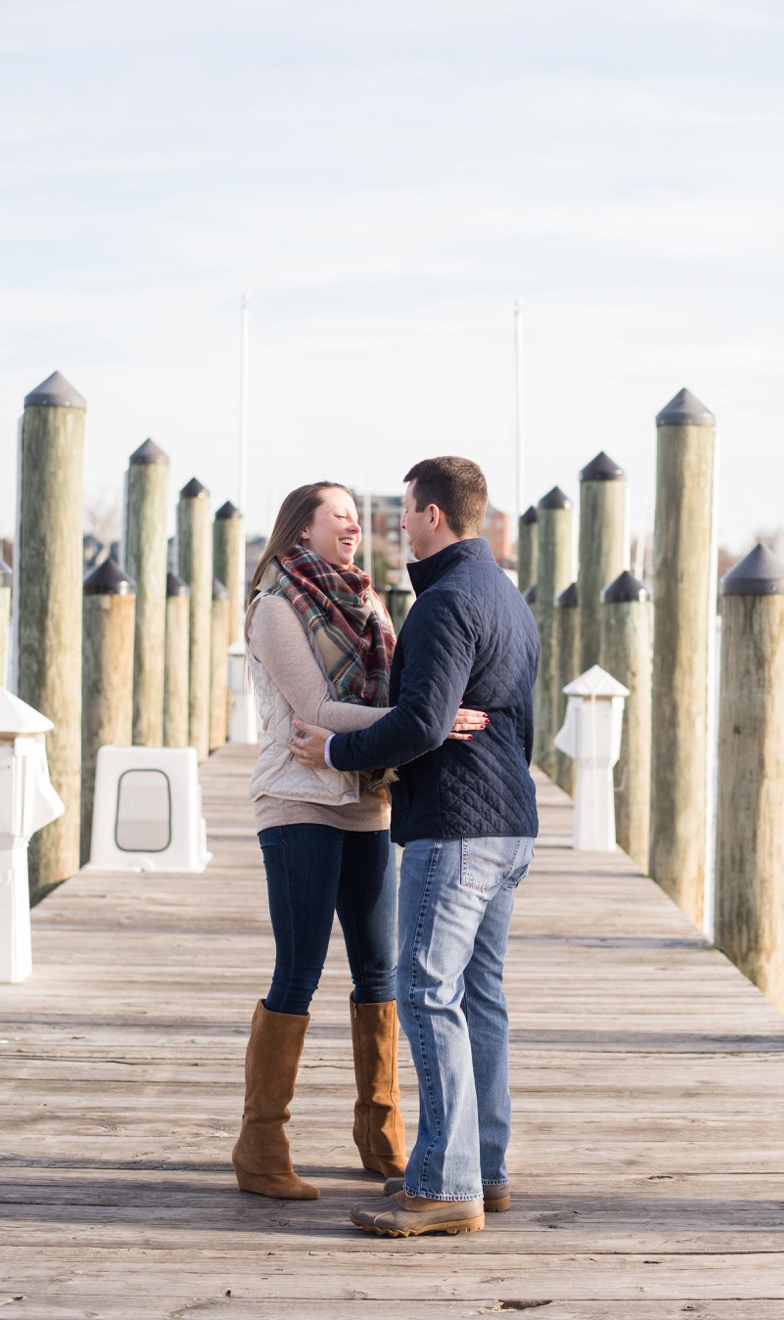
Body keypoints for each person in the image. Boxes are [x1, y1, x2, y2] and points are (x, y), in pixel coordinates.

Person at [289, 456, 540, 1237]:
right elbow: (498, 719)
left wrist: (330, 752)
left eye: (404, 511)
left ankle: (444, 1183)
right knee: (480, 997)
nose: (398, 525)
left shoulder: (442, 603)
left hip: (456, 825)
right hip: (509, 822)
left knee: (427, 993)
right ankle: (485, 1169)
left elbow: (424, 723)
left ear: (433, 516)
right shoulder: (508, 597)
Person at [231, 480, 486, 1201]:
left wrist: (423, 719)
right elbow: (311, 708)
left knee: (380, 974)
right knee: (299, 972)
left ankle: (380, 1133)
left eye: (357, 518)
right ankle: (260, 1143)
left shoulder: (371, 602)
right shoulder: (276, 607)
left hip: (366, 799)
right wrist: (421, 723)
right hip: (298, 800)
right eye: (338, 517)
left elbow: (404, 699)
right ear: (299, 532)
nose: (354, 527)